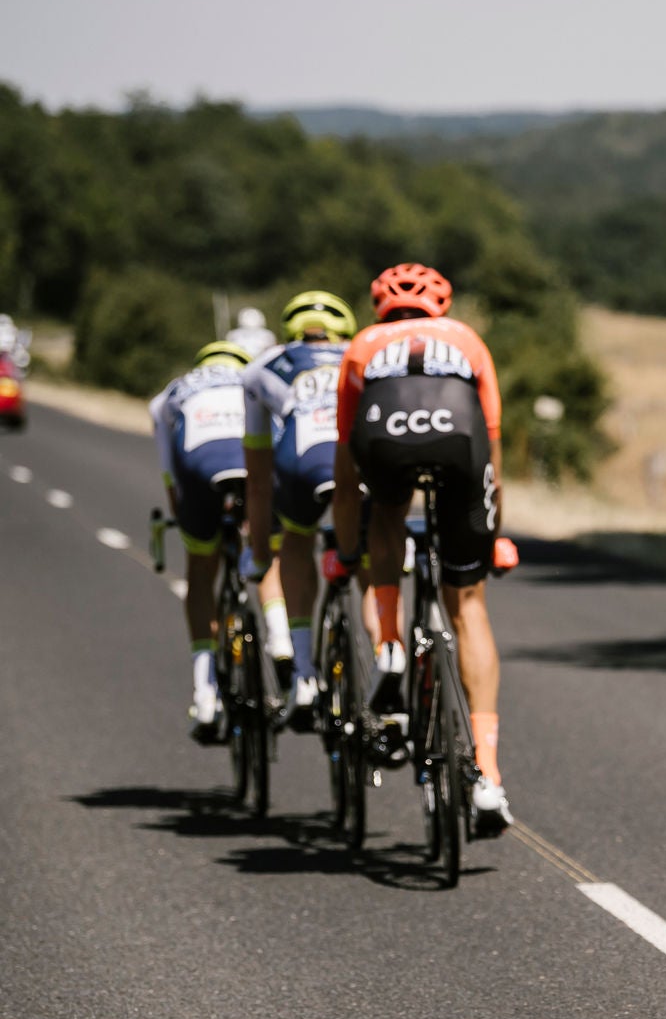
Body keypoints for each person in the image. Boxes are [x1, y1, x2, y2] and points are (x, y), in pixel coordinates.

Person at [329, 263, 518, 829]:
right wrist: (495, 534)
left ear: (380, 305)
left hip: (384, 439)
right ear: (442, 303)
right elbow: (493, 450)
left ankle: (389, 640)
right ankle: (486, 775)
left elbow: (345, 461)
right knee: (468, 604)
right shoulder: (467, 340)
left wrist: (347, 548)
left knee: (386, 515)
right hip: (462, 444)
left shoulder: (362, 344)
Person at [241, 291, 357, 728]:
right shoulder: (360, 353)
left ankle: (304, 670)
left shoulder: (265, 366)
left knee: (296, 536)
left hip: (298, 462)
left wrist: (256, 552)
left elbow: (256, 478)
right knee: (369, 541)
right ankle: (388, 650)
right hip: (353, 458)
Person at [149, 340, 253, 738]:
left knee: (200, 566)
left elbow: (167, 460)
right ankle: (282, 650)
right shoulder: (253, 377)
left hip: (199, 466)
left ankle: (205, 691)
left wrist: (179, 503)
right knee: (269, 546)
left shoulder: (176, 389)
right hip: (250, 464)